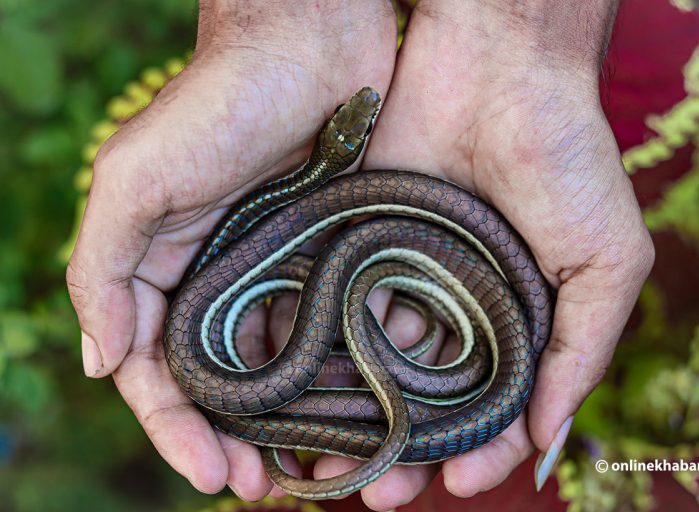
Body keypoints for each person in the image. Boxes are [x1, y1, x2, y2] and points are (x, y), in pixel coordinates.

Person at [65, 1, 654, 509]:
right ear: (338, 146)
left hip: (395, 286)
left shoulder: (324, 207)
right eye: (362, 126)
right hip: (338, 281)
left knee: (469, 356)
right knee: (329, 295)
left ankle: (408, 387)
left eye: (364, 122)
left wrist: (524, 46)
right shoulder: (308, 211)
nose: (366, 113)